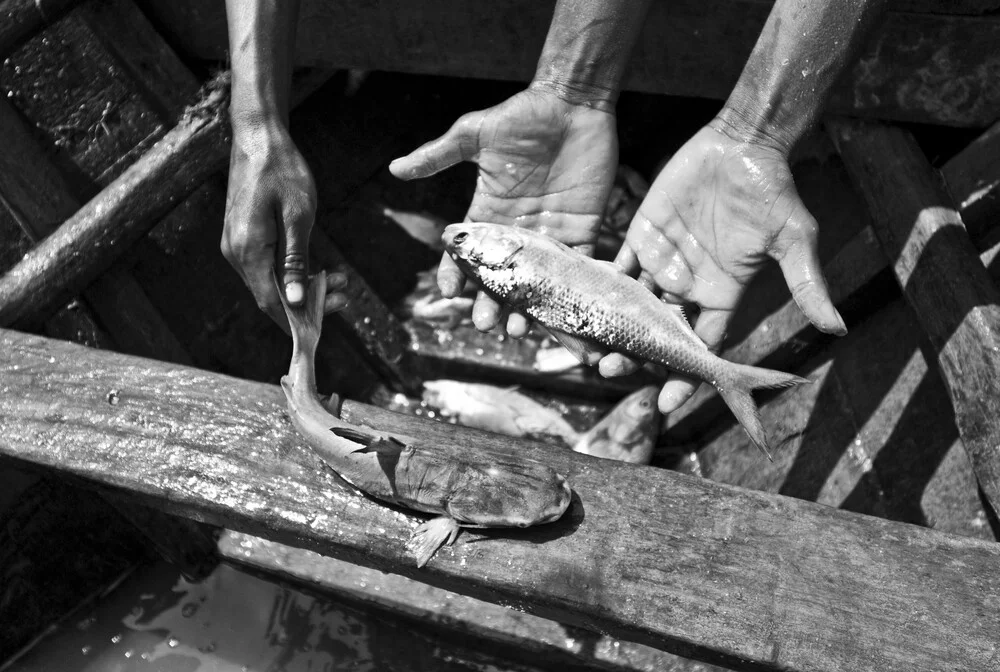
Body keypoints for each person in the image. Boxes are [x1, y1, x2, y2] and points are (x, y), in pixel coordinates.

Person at [222, 0, 887, 412]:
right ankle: (721, 373)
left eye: (464, 245)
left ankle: (722, 374)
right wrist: (573, 86)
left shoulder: (503, 257)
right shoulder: (509, 258)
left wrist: (759, 134)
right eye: (462, 244)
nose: (461, 236)